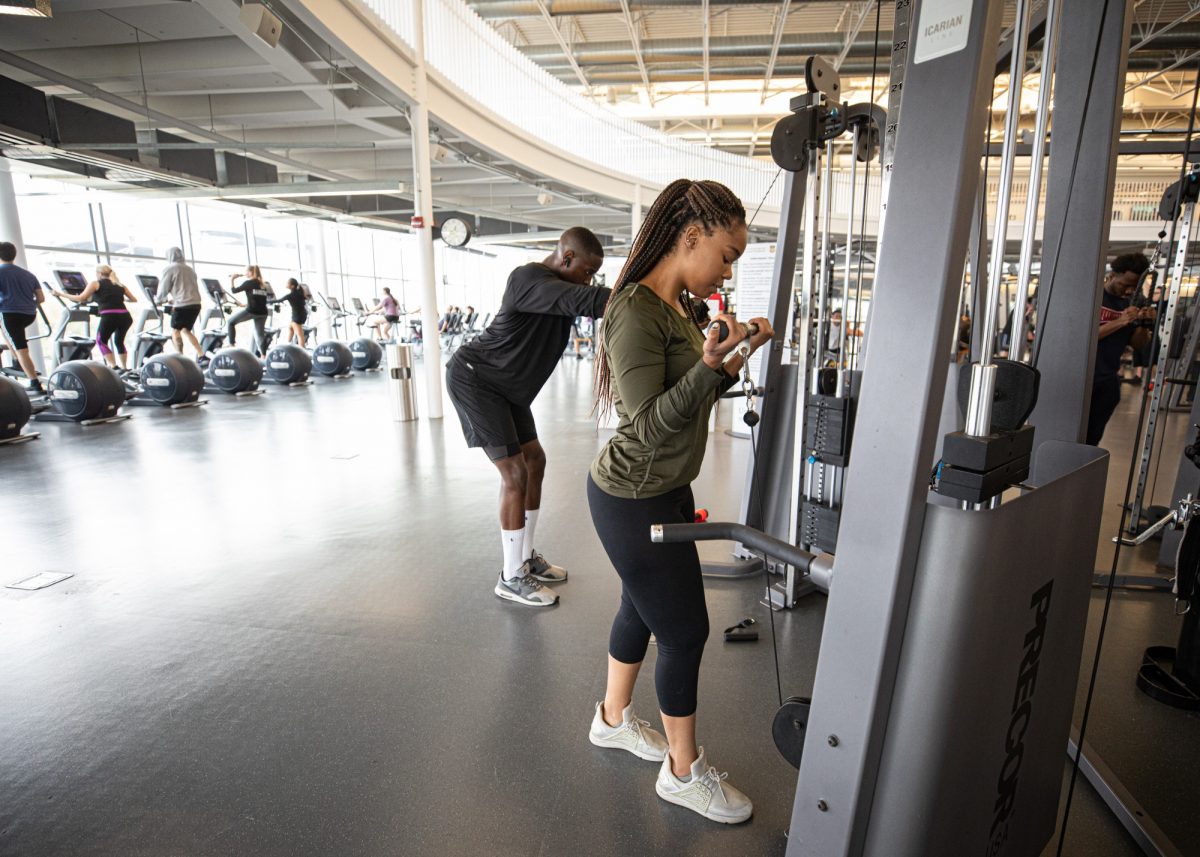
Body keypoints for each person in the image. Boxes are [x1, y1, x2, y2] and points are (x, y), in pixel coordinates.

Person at [586, 179, 773, 824]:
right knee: (685, 628)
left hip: (664, 487)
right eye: (725, 254)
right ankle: (683, 773)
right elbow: (646, 422)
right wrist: (711, 365)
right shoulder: (635, 311)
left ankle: (611, 720)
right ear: (690, 236)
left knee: (640, 607)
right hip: (632, 494)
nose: (728, 268)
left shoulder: (679, 311)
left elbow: (692, 399)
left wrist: (734, 352)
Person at [446, 227, 608, 607]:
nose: (589, 280)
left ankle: (525, 557)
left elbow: (586, 300)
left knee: (535, 460)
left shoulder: (562, 292)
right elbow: (585, 298)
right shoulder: (527, 278)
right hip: (476, 379)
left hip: (507, 390)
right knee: (515, 473)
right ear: (566, 258)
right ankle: (510, 575)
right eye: (586, 271)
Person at [1086, 253, 1153, 446]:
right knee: (1070, 435)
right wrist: (1122, 320)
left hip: (1107, 381)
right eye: (1125, 284)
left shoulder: (1134, 301)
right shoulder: (1094, 296)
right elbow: (1085, 338)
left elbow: (1138, 343)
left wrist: (1144, 323)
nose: (1129, 290)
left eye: (1134, 286)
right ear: (1113, 275)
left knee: (1092, 439)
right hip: (1081, 380)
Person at [55, 265, 137, 370]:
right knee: (119, 341)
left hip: (110, 316)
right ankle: (125, 368)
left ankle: (114, 367)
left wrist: (60, 294)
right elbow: (134, 299)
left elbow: (81, 298)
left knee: (101, 341)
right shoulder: (120, 285)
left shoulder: (95, 283)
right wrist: (118, 300)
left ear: (99, 274)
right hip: (125, 317)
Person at [0, 241, 46, 393]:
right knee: (18, 343)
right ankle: (18, 361)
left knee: (21, 350)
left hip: (10, 314)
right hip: (29, 314)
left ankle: (34, 383)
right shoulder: (28, 274)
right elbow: (40, 298)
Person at [157, 247, 204, 360]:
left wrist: (158, 300)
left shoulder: (170, 269)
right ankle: (201, 354)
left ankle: (180, 357)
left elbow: (163, 288)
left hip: (182, 305)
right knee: (185, 330)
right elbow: (187, 287)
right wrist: (174, 299)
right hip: (195, 304)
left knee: (175, 330)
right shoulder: (190, 269)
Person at [226, 266, 270, 355]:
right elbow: (258, 299)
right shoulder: (263, 285)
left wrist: (232, 279)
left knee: (230, 322)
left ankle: (231, 346)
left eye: (246, 271)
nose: (245, 273)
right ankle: (264, 356)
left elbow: (234, 290)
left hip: (252, 311)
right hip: (263, 313)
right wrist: (244, 304)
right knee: (260, 335)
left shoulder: (248, 283)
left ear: (251, 272)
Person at [272, 278, 309, 346]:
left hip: (297, 316)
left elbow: (278, 301)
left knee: (300, 335)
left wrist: (265, 302)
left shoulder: (290, 295)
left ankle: (302, 352)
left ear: (292, 286)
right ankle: (287, 345)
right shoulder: (299, 293)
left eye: (288, 283)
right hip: (301, 315)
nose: (286, 284)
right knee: (291, 328)